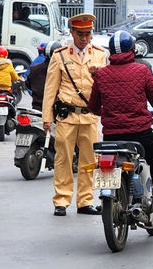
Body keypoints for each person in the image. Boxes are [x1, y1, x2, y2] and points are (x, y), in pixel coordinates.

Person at [88, 31, 153, 222]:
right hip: (140, 133)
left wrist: (106, 115)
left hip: (111, 137)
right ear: (132, 49)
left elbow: (93, 107)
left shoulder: (101, 74)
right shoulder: (142, 70)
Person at [42, 13, 108, 216]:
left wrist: (99, 75)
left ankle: (85, 201)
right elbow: (50, 88)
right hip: (67, 117)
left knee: (90, 160)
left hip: (89, 116)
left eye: (88, 34)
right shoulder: (60, 55)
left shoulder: (100, 55)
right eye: (80, 34)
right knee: (63, 160)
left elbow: (106, 88)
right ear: (71, 32)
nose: (85, 38)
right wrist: (47, 117)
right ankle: (61, 201)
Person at [27, 41, 60, 111]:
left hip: (36, 108)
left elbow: (28, 84)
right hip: (54, 111)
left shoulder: (34, 68)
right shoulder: (60, 70)